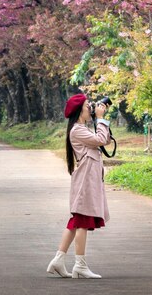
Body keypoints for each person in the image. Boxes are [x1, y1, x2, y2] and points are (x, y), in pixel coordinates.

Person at [46, 93, 112, 279]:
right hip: (85, 181)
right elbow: (100, 140)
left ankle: (58, 260)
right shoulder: (77, 130)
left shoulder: (83, 128)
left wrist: (102, 121)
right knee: (82, 221)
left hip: (88, 179)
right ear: (79, 111)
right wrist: (100, 119)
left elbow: (104, 140)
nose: (90, 108)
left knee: (77, 221)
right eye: (87, 106)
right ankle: (80, 265)